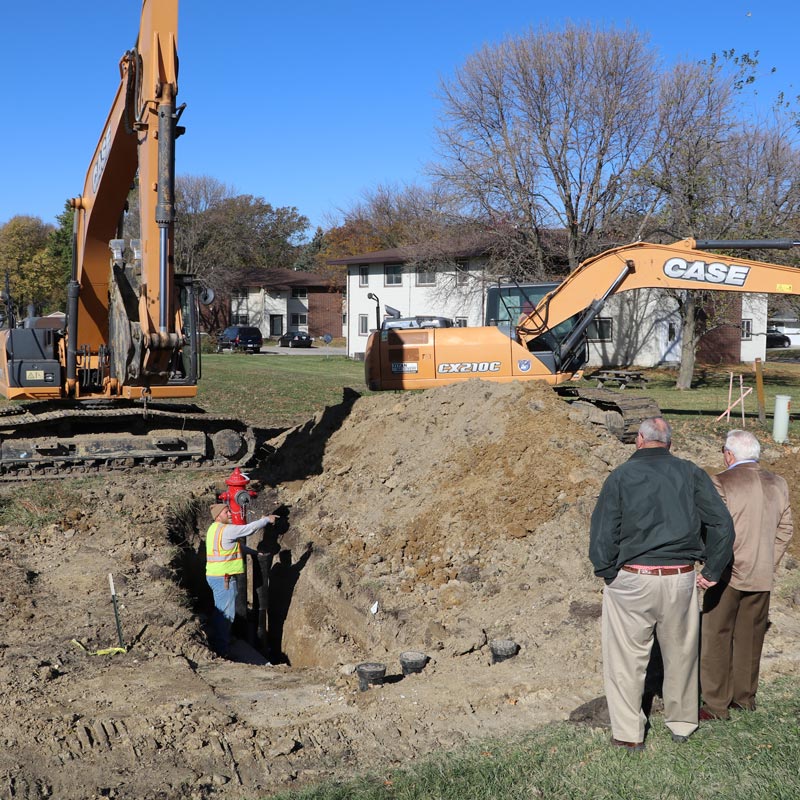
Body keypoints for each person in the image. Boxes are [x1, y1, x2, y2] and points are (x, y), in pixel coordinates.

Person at [589, 417, 734, 750]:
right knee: (682, 654)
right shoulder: (690, 473)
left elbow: (603, 532)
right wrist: (712, 570)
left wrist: (607, 572)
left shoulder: (621, 476)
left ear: (639, 439)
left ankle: (628, 735)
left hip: (633, 579)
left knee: (626, 660)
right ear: (669, 442)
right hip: (680, 578)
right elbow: (722, 523)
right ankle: (682, 725)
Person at [699, 429, 793, 720]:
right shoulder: (778, 483)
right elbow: (786, 529)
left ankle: (716, 705)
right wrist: (769, 559)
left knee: (716, 637)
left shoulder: (722, 481)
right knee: (751, 639)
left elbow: (716, 531)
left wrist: (712, 566)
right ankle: (744, 699)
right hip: (761, 574)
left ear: (729, 454)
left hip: (727, 573)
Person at [206, 502, 277, 657]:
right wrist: (266, 520)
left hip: (215, 576)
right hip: (224, 579)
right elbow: (248, 529)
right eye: (226, 512)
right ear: (218, 516)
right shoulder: (227, 530)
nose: (230, 514)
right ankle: (222, 649)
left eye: (229, 511)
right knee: (226, 615)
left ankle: (219, 639)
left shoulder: (213, 529)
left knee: (221, 611)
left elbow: (234, 546)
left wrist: (253, 552)